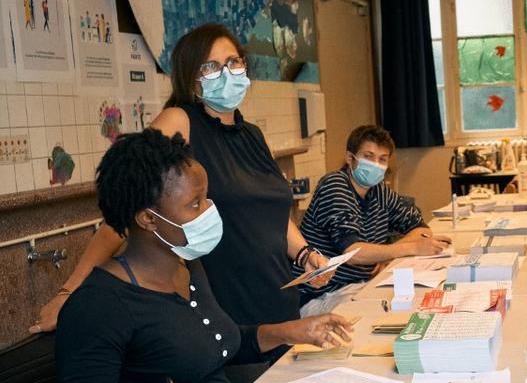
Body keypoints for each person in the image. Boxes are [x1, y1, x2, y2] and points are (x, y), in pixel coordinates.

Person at [32, 23, 337, 382]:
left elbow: (266, 212)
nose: (226, 74)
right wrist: (72, 289)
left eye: (233, 62)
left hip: (272, 303)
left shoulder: (251, 134)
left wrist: (304, 255)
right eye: (210, 67)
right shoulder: (180, 121)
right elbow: (134, 196)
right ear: (190, 79)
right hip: (224, 303)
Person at [56, 129, 352, 382]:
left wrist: (292, 331)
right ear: (148, 219)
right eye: (195, 204)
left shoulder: (188, 266)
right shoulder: (98, 306)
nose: (210, 210)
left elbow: (219, 346)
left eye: (207, 197)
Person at [295, 125, 451, 317]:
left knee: (415, 304)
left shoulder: (380, 191)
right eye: (368, 157)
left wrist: (385, 255)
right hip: (321, 295)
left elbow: (420, 227)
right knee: (392, 314)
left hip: (358, 286)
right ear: (350, 158)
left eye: (382, 159)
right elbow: (352, 252)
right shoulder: (334, 185)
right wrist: (410, 248)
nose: (375, 164)